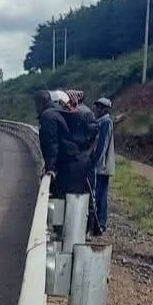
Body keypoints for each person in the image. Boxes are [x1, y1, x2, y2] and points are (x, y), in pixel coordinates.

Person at [35, 90, 94, 197]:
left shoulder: (48, 116)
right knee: (80, 205)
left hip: (69, 166)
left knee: (67, 205)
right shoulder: (60, 113)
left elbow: (50, 144)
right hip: (80, 162)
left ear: (39, 103)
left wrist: (50, 168)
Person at [91, 97, 115, 232]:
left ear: (106, 109)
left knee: (100, 195)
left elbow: (102, 146)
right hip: (101, 166)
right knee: (100, 194)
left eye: (100, 107)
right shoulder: (101, 121)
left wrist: (95, 163)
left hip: (102, 167)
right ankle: (100, 222)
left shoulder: (105, 122)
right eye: (97, 106)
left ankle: (101, 222)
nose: (97, 109)